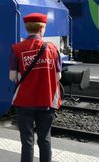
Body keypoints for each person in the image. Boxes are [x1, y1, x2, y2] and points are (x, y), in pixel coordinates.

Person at [9, 13, 62, 162]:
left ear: (27, 28)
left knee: (27, 141)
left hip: (24, 102)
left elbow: (12, 77)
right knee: (45, 139)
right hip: (47, 100)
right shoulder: (52, 48)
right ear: (42, 28)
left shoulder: (17, 48)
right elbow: (58, 77)